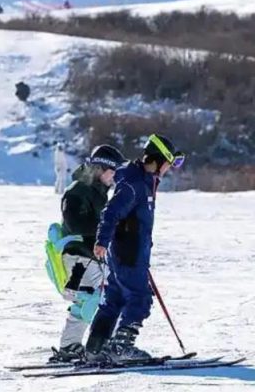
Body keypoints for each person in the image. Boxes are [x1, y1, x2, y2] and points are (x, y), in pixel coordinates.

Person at [84, 134, 184, 363]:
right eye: (169, 163)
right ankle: (121, 348)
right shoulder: (134, 184)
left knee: (115, 299)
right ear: (158, 160)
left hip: (127, 252)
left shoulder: (143, 181)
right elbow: (111, 212)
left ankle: (95, 349)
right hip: (128, 254)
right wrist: (101, 241)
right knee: (140, 297)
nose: (169, 168)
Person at [48, 145, 126, 363]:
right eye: (113, 172)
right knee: (96, 299)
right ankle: (99, 345)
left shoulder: (97, 192)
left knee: (93, 299)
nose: (115, 178)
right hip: (78, 256)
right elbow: (76, 223)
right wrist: (108, 229)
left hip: (89, 256)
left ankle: (71, 345)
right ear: (101, 168)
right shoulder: (77, 190)